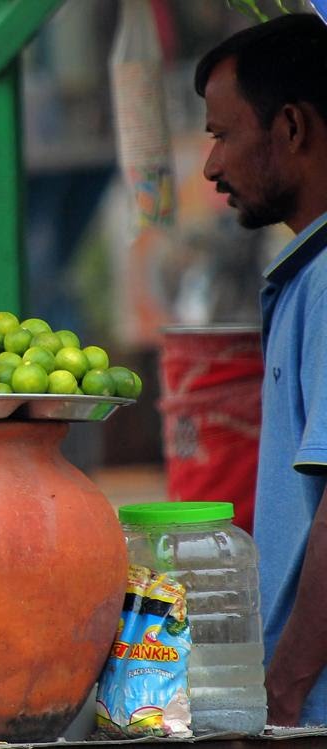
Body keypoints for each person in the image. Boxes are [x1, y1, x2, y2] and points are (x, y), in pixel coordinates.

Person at [196, 12, 327, 726]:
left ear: (292, 128)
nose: (211, 166)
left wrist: (287, 686)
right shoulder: (307, 275)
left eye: (221, 134)